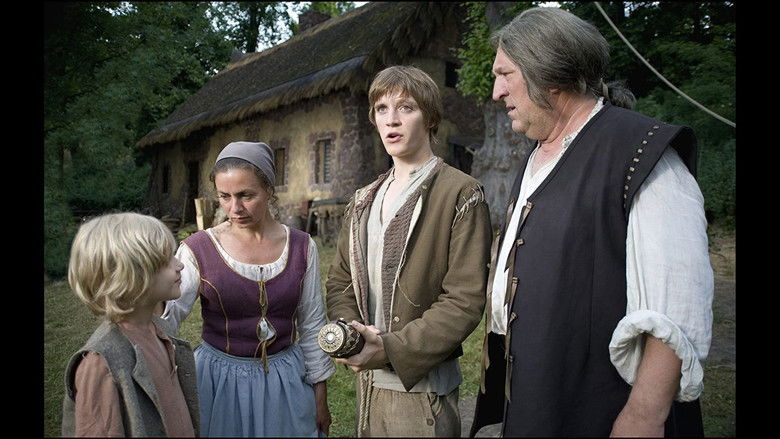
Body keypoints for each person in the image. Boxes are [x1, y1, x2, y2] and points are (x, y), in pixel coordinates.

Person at [470, 7, 714, 437]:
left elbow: (676, 304)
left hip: (604, 410)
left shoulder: (641, 154)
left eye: (505, 74)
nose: (496, 91)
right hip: (543, 396)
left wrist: (643, 416)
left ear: (548, 71)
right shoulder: (538, 155)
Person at [325, 65, 492, 437]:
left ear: (429, 117)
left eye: (406, 107)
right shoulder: (363, 199)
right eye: (382, 109)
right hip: (367, 384)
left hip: (423, 393)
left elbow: (464, 300)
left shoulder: (461, 193)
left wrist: (390, 348)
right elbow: (340, 282)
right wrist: (354, 336)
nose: (392, 119)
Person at [159, 141, 335, 437]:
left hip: (285, 381)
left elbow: (312, 323)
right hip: (219, 382)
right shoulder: (198, 249)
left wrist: (320, 394)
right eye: (224, 197)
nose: (234, 208)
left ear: (269, 189)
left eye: (246, 195)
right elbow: (168, 315)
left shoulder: (302, 246)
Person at [61, 212, 198, 437]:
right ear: (130, 274)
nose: (180, 265)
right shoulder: (101, 364)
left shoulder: (159, 333)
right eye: (166, 260)